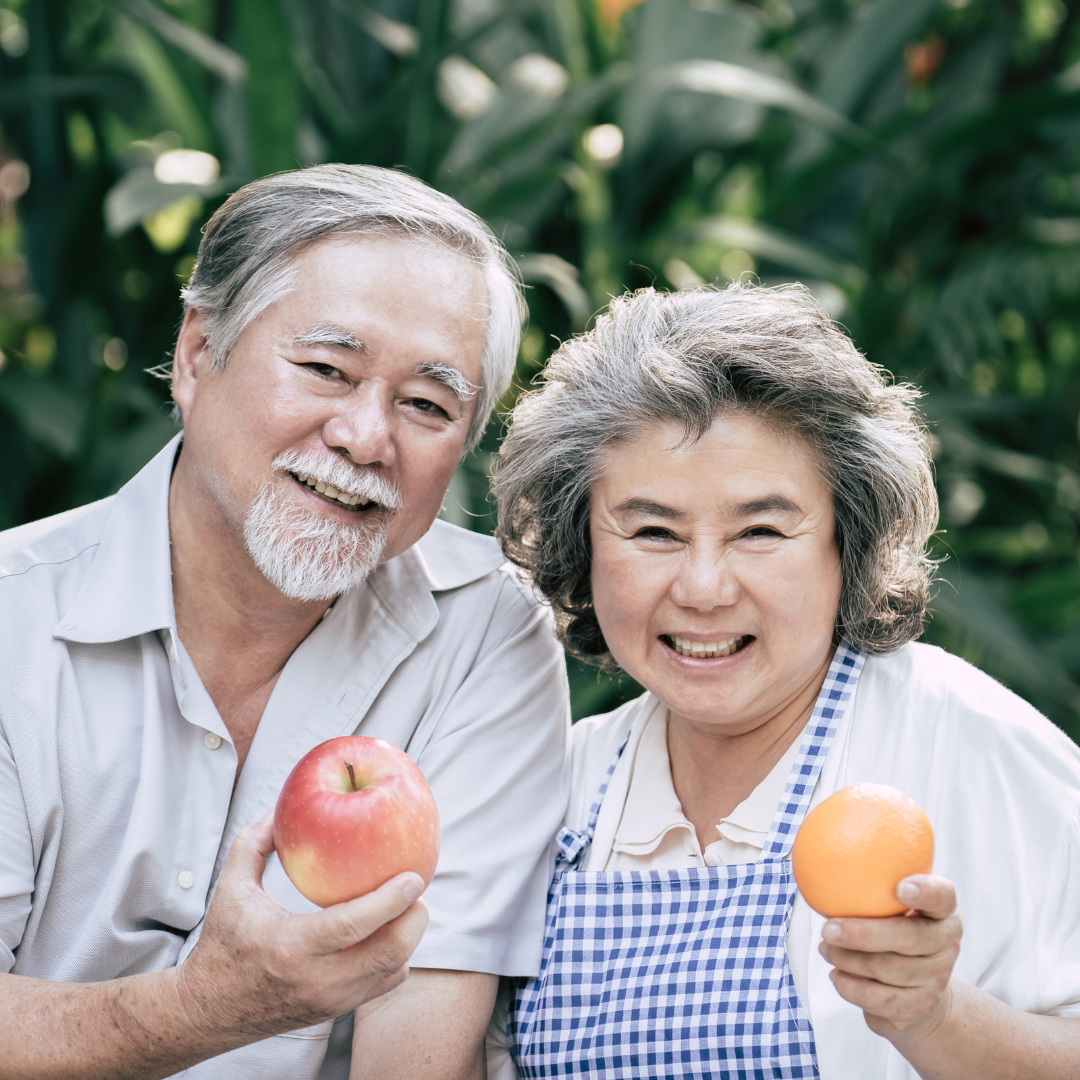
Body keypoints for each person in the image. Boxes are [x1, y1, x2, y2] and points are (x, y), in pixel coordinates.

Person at [0, 164, 569, 1079]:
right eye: (324, 370)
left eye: (426, 404)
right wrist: (199, 1011)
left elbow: (418, 1056)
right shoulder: (11, 621)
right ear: (196, 355)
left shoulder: (486, 632)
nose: (364, 436)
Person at [488, 282, 1080, 1079]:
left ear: (849, 539)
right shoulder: (553, 789)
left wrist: (935, 1015)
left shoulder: (969, 742)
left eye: (760, 530)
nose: (703, 587)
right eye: (653, 530)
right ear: (582, 546)